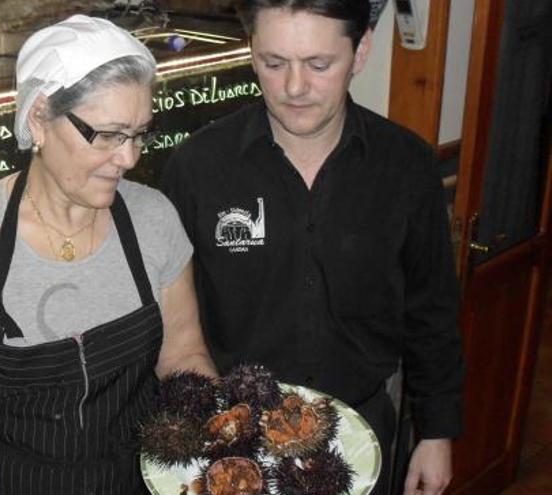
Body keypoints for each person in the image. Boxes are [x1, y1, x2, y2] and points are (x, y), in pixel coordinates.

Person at [161, 1, 464, 495]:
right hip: (236, 442)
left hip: (362, 430)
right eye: (273, 63)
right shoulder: (197, 166)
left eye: (319, 65)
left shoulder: (406, 166)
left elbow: (431, 311)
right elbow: (172, 320)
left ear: (360, 50)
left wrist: (437, 431)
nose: (294, 88)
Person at [0, 14, 217, 495]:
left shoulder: (154, 219)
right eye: (108, 134)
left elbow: (183, 354)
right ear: (39, 118)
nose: (129, 158)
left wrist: (223, 445)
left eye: (138, 134)